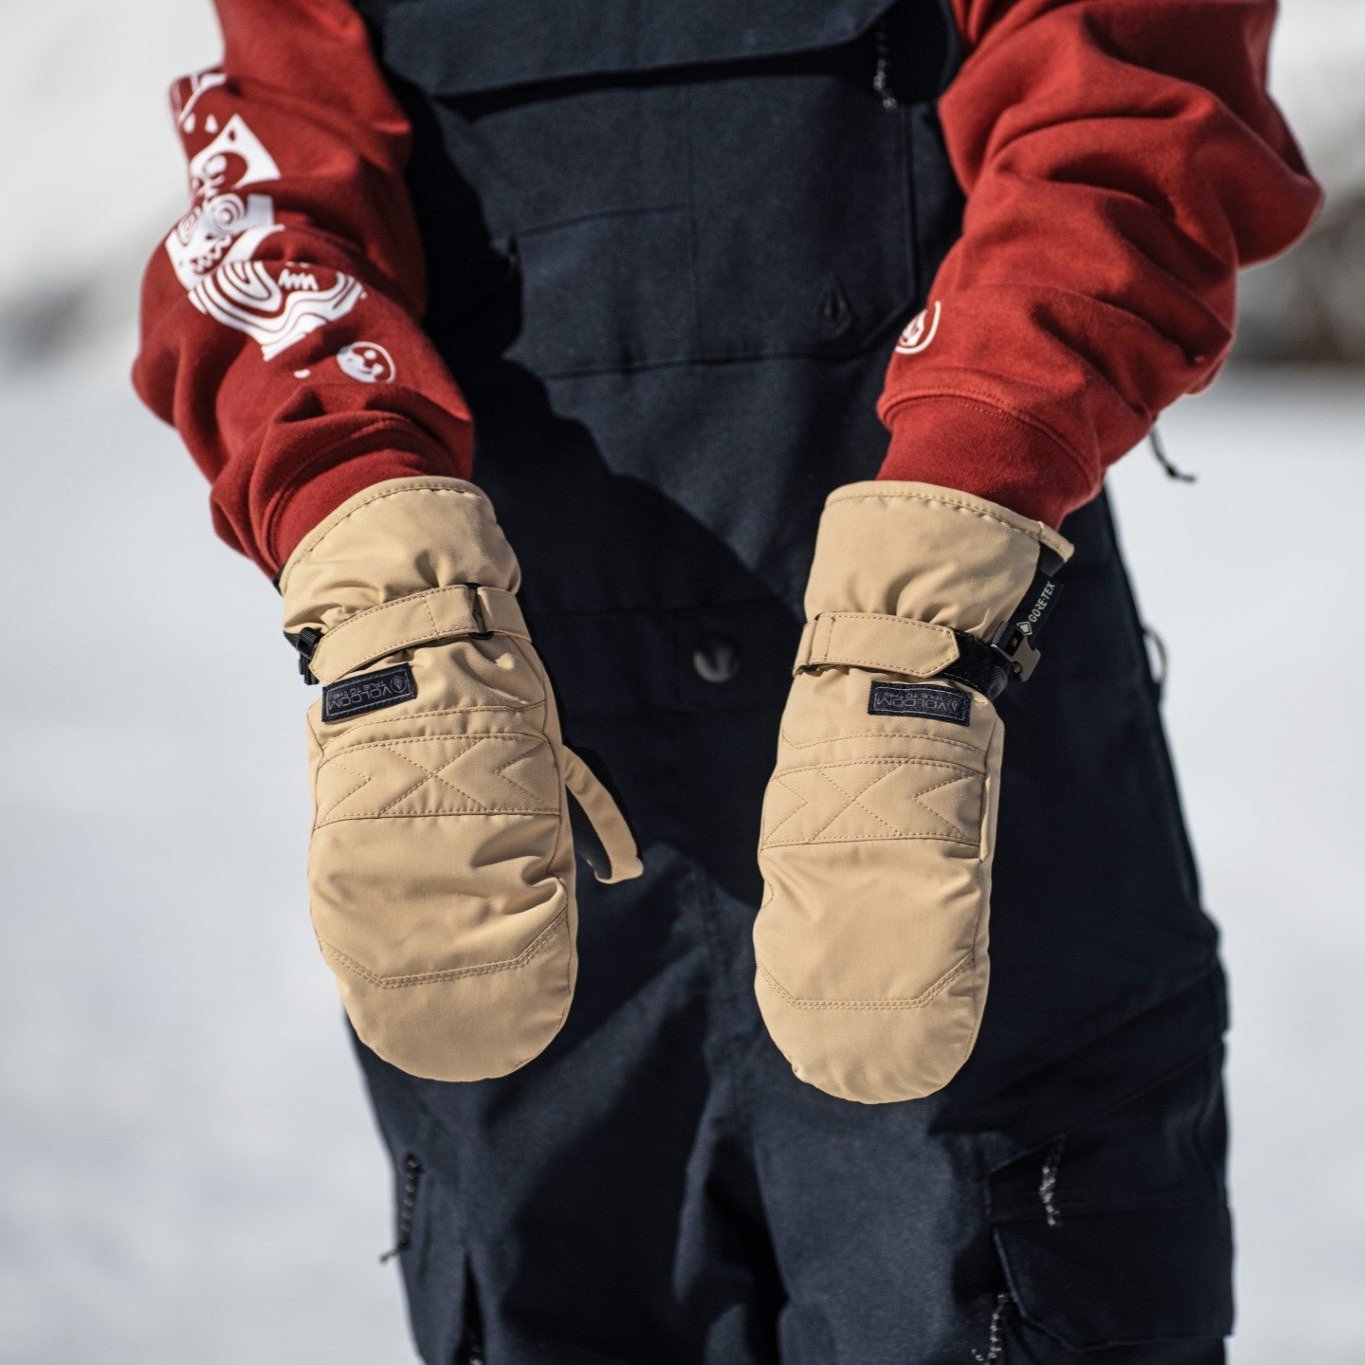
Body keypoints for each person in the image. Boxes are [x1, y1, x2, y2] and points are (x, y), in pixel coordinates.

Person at [133, 0, 1321, 1359]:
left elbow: (1122, 106)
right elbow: (266, 198)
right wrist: (382, 580)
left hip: (953, 746)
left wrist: (934, 566)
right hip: (502, 785)